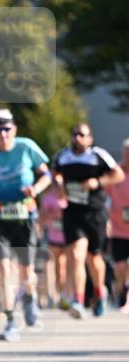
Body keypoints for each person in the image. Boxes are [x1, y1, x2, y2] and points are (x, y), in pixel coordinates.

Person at [0, 109, 51, 342]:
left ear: (14, 129)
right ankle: (11, 320)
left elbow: (46, 175)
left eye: (7, 129)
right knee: (2, 269)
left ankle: (30, 298)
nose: (3, 134)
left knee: (26, 271)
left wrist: (36, 189)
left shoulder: (26, 147)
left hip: (25, 216)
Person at [52, 124, 125, 318]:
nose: (77, 138)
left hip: (95, 212)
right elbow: (55, 173)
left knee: (94, 258)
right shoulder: (62, 156)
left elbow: (118, 174)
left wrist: (98, 182)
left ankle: (100, 292)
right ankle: (78, 299)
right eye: (75, 134)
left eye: (82, 135)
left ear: (90, 138)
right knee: (76, 255)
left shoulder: (98, 155)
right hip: (73, 212)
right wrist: (58, 183)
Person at [38, 183, 69, 308]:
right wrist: (49, 216)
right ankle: (52, 294)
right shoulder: (48, 197)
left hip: (68, 237)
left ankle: (64, 294)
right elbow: (42, 216)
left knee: (63, 268)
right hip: (52, 237)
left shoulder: (69, 196)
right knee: (51, 267)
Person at [108, 137, 129, 311]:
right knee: (120, 266)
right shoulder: (116, 173)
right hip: (117, 229)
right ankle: (122, 290)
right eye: (127, 153)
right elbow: (104, 197)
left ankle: (127, 297)